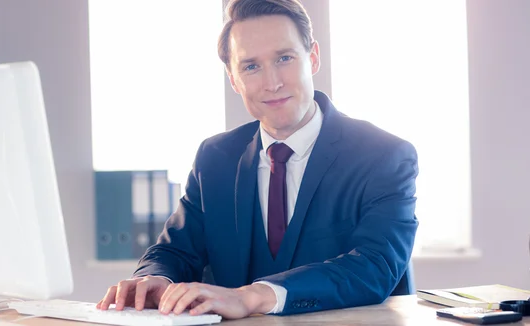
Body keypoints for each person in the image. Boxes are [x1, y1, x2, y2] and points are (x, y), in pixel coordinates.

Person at [97, 0, 418, 319]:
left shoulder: (384, 155)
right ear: (234, 79)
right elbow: (176, 249)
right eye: (251, 66)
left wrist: (253, 296)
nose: (272, 82)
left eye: (284, 58)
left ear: (313, 57)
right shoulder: (215, 158)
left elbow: (375, 266)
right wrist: (154, 278)